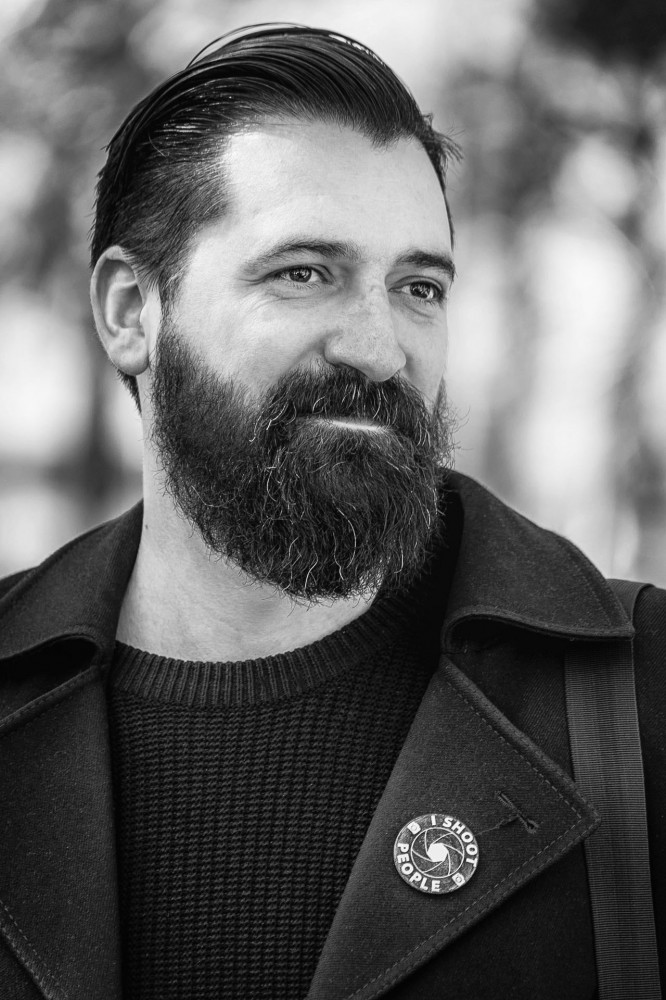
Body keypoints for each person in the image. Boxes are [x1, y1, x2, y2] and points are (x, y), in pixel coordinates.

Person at [0, 24, 662, 1000]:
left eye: (418, 287)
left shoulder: (641, 702)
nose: (380, 348)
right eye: (304, 272)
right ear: (132, 311)